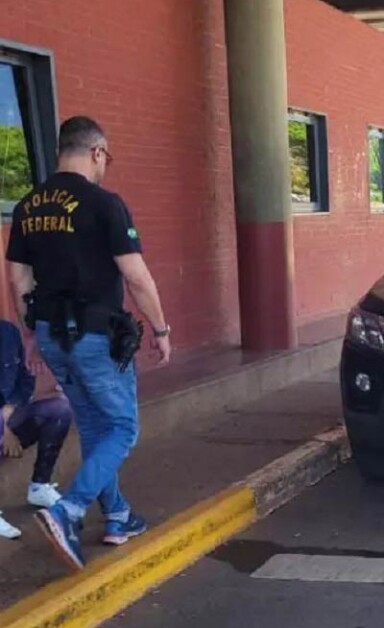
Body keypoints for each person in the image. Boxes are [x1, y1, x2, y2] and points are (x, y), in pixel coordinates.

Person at [6, 116, 172, 570]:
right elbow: (136, 276)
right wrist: (160, 330)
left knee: (97, 427)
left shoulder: (28, 206)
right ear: (97, 152)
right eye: (106, 158)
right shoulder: (104, 204)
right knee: (123, 427)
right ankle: (69, 510)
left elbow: (18, 279)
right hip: (97, 336)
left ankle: (118, 515)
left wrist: (30, 335)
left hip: (51, 335)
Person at [0, 320, 74, 539]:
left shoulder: (8, 331)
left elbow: (25, 379)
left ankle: (39, 486)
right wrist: (4, 429)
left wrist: (9, 411)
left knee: (59, 409)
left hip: (7, 415)